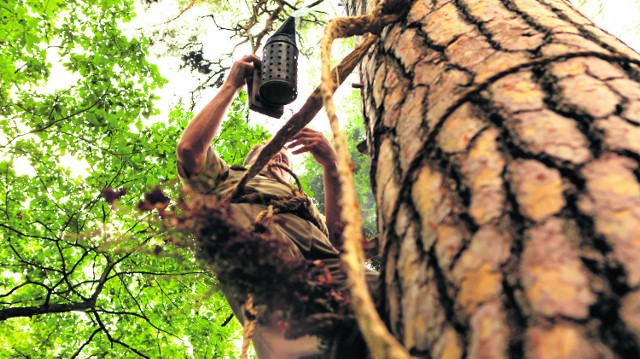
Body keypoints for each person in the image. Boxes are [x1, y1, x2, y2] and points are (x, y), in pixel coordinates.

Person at [176, 55, 376, 358]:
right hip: (271, 273)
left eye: (285, 155)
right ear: (249, 163)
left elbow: (339, 241)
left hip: (334, 274)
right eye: (268, 152)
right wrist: (232, 84)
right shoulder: (227, 180)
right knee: (308, 348)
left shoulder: (305, 206)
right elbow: (190, 150)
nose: (279, 154)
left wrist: (331, 165)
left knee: (409, 303)